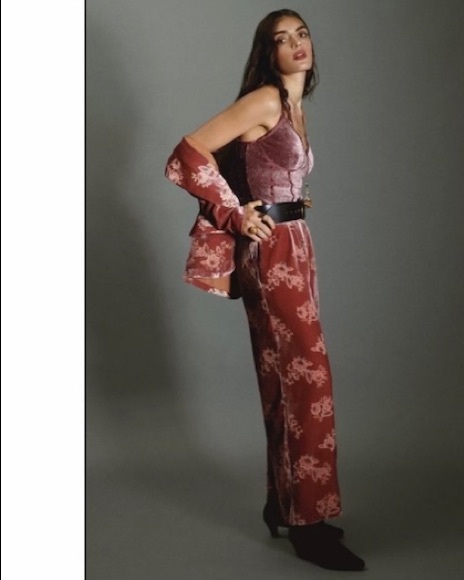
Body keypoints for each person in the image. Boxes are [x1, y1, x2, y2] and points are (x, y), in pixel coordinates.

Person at [165, 9, 365, 572]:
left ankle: (285, 502)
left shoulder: (295, 106)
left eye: (302, 33)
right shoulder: (266, 100)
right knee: (307, 379)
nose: (297, 44)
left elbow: (271, 171)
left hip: (297, 246)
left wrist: (291, 202)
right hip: (273, 251)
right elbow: (186, 155)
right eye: (282, 39)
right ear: (268, 53)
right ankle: (308, 525)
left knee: (286, 379)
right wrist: (235, 214)